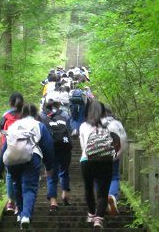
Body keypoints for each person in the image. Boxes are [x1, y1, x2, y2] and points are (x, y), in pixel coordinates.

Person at [0, 104, 54, 230]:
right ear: (35, 114)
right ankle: (26, 216)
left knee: (17, 184)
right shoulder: (39, 125)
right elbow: (48, 147)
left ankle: (21, 213)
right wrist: (49, 167)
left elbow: (5, 147)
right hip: (32, 157)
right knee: (29, 187)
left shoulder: (13, 126)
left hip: (12, 159)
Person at [79, 98, 116, 228]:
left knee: (88, 188)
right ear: (103, 111)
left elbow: (84, 146)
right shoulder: (108, 125)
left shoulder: (83, 126)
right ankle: (99, 218)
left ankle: (91, 214)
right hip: (105, 160)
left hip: (87, 160)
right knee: (102, 190)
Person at [39, 95, 73, 211]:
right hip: (65, 146)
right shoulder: (64, 114)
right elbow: (70, 130)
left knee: (51, 175)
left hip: (50, 147)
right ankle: (65, 195)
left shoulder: (42, 115)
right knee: (64, 171)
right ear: (59, 105)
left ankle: (53, 201)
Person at [0, 92, 24, 214]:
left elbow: (0, 135)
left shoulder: (5, 116)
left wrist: (0, 154)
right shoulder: (26, 115)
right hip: (24, 150)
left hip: (8, 150)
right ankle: (20, 204)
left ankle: (10, 202)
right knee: (23, 176)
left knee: (9, 175)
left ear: (10, 102)